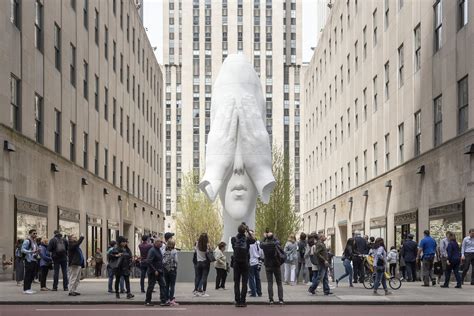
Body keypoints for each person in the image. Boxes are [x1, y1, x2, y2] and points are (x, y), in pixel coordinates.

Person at [231, 223, 255, 307]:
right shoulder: (247, 240)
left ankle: (237, 301)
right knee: (244, 283)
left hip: (236, 263)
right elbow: (254, 240)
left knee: (236, 282)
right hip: (245, 262)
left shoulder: (233, 239)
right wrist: (248, 230)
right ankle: (243, 301)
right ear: (244, 231)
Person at [260, 231, 284, 305]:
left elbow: (260, 243)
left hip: (268, 265)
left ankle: (271, 300)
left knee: (270, 283)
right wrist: (272, 236)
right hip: (276, 265)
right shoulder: (275, 244)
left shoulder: (264, 245)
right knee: (279, 283)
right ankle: (280, 300)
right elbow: (278, 241)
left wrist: (264, 237)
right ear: (273, 237)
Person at [145, 238, 167, 307]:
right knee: (151, 286)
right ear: (156, 243)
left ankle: (163, 301)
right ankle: (147, 301)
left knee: (163, 285)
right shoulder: (152, 250)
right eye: (160, 242)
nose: (161, 244)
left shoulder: (158, 250)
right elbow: (148, 261)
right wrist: (154, 270)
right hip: (153, 272)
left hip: (159, 271)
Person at [21, 229, 39, 294]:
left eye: (36, 233)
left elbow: (35, 250)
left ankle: (29, 288)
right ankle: (25, 289)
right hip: (28, 260)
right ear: (30, 234)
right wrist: (31, 252)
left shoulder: (34, 242)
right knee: (28, 274)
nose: (35, 235)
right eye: (34, 233)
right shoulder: (27, 241)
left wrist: (37, 252)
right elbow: (22, 250)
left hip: (34, 260)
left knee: (32, 275)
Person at [163, 239, 179, 306]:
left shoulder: (164, 250)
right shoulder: (174, 251)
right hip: (172, 269)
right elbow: (176, 260)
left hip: (165, 269)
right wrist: (176, 266)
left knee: (166, 285)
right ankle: (172, 299)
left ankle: (167, 299)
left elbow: (162, 260)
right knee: (172, 285)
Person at [248, 230, 262, 297]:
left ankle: (253, 292)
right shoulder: (258, 243)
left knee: (251, 278)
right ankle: (259, 292)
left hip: (251, 262)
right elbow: (261, 253)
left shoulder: (248, 244)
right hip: (257, 261)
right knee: (257, 278)